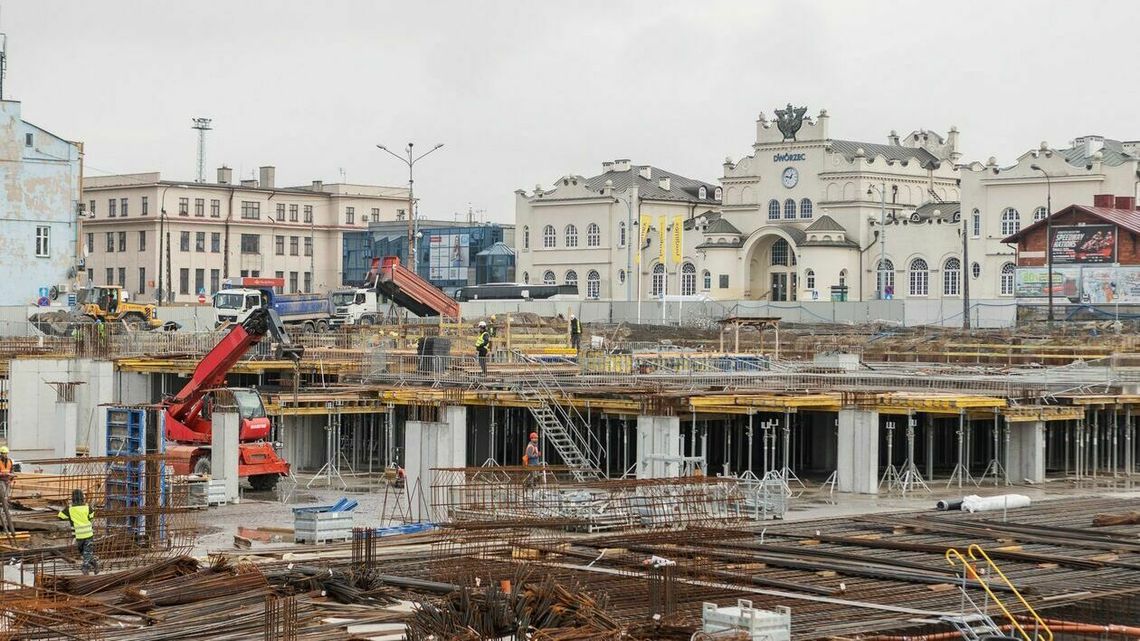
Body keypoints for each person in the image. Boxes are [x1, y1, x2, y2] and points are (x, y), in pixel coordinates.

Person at [58, 489, 98, 575]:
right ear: (82, 498)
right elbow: (91, 516)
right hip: (88, 533)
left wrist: (69, 517)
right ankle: (94, 563)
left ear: (72, 498)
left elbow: (60, 516)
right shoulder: (87, 507)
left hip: (80, 535)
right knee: (85, 553)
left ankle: (85, 568)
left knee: (86, 553)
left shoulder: (69, 509)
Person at [0, 446, 15, 542]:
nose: (5, 455)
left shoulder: (10, 461)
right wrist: (3, 475)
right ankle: (3, 508)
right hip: (1, 480)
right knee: (3, 496)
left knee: (6, 496)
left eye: (6, 453)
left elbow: (12, 470)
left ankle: (4, 508)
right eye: (3, 453)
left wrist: (12, 477)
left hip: (7, 480)